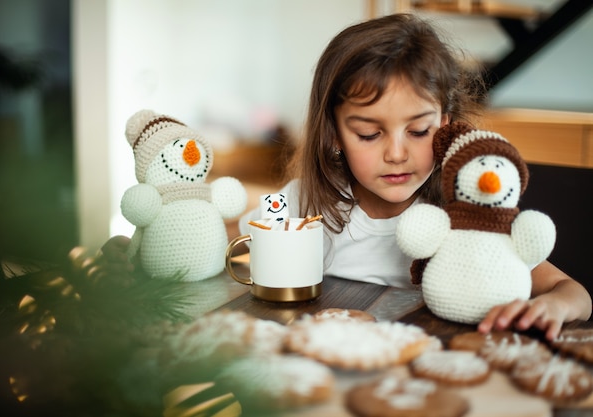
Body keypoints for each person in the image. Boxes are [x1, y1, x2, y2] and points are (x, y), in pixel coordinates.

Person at [103, 13, 591, 340]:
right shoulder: (302, 200)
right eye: (368, 134)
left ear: (444, 126)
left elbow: (573, 292)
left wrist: (554, 308)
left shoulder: (471, 216)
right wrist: (149, 252)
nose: (397, 154)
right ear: (334, 134)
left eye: (418, 130)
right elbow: (224, 243)